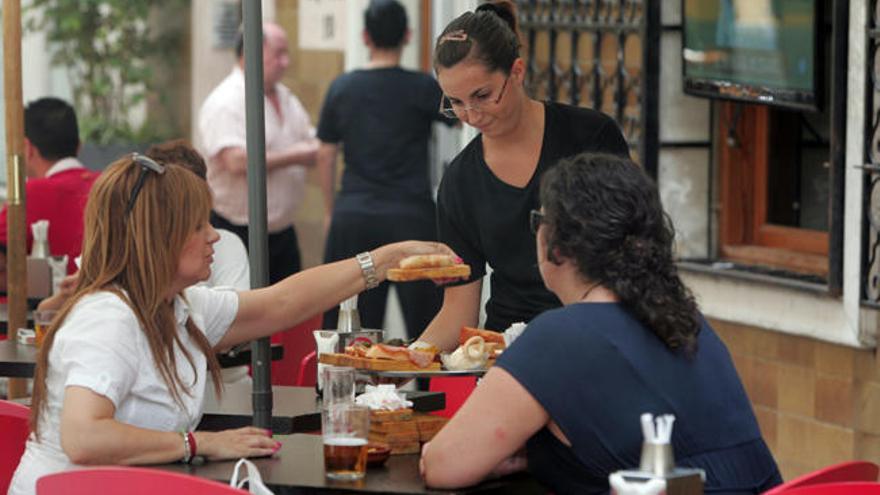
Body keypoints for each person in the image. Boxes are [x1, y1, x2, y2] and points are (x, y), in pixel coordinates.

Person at [8, 154, 456, 495]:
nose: (214, 235)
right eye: (199, 224)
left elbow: (281, 303)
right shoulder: (110, 316)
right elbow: (84, 436)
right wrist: (198, 443)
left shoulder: (177, 307)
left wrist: (382, 259)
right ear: (161, 237)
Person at [420, 153, 782, 494]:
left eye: (538, 222)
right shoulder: (687, 320)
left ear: (556, 245)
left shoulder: (558, 336)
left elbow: (442, 465)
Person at [415, 2, 630, 351]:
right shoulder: (460, 182)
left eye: (482, 96)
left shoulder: (590, 137)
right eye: (455, 102)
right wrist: (397, 365)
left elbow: (628, 262)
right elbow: (458, 312)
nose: (470, 115)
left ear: (517, 71)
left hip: (597, 339)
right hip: (507, 352)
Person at [317, 0, 455, 337]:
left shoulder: (342, 88)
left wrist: (330, 210)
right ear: (407, 36)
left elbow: (325, 153)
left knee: (351, 330)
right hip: (411, 217)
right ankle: (428, 389)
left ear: (365, 37)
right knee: (429, 329)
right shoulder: (423, 87)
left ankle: (351, 392)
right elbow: (459, 118)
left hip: (355, 215)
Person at [198, 22, 319, 284]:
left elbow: (311, 142)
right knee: (247, 312)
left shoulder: (286, 97)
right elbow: (236, 161)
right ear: (251, 52)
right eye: (278, 53)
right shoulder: (226, 101)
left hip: (282, 230)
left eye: (287, 54)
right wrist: (294, 156)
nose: (285, 62)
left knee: (289, 313)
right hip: (237, 230)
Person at [0, 97, 98, 288]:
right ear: (79, 145)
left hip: (48, 312)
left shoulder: (29, 195)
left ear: (26, 148)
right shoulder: (112, 185)